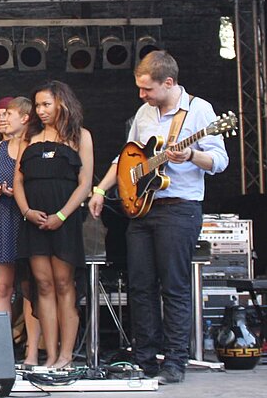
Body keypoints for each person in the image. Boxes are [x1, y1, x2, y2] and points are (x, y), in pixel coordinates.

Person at [88, 51, 228, 384]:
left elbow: (220, 162)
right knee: (140, 287)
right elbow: (127, 158)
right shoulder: (144, 112)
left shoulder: (200, 111)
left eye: (147, 89)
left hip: (179, 209)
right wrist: (100, 190)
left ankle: (175, 362)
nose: (142, 95)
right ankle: (145, 359)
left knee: (175, 288)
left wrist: (192, 154)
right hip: (142, 210)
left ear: (168, 82)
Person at [13, 80, 93, 370]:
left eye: (46, 104)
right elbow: (18, 180)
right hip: (33, 219)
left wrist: (62, 215)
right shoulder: (29, 137)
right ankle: (49, 354)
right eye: (37, 105)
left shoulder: (80, 137)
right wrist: (26, 211)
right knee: (42, 285)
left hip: (65, 220)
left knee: (63, 284)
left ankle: (66, 354)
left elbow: (85, 183)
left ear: (62, 103)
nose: (41, 110)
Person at [0, 97, 42, 365]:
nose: (3, 119)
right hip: (1, 216)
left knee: (30, 288)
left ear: (25, 118)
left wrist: (18, 191)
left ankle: (31, 353)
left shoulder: (34, 146)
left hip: (25, 218)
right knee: (2, 287)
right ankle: (0, 352)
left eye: (9, 114)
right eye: (0, 115)